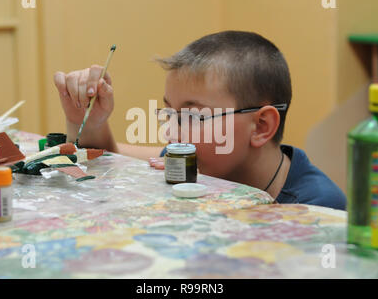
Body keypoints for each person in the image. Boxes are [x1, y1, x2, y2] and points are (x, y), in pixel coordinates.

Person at [53, 31, 346, 210]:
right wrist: (88, 121)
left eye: (192, 116)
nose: (171, 132)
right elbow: (111, 156)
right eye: (170, 113)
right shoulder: (197, 162)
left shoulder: (317, 209)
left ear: (261, 126)